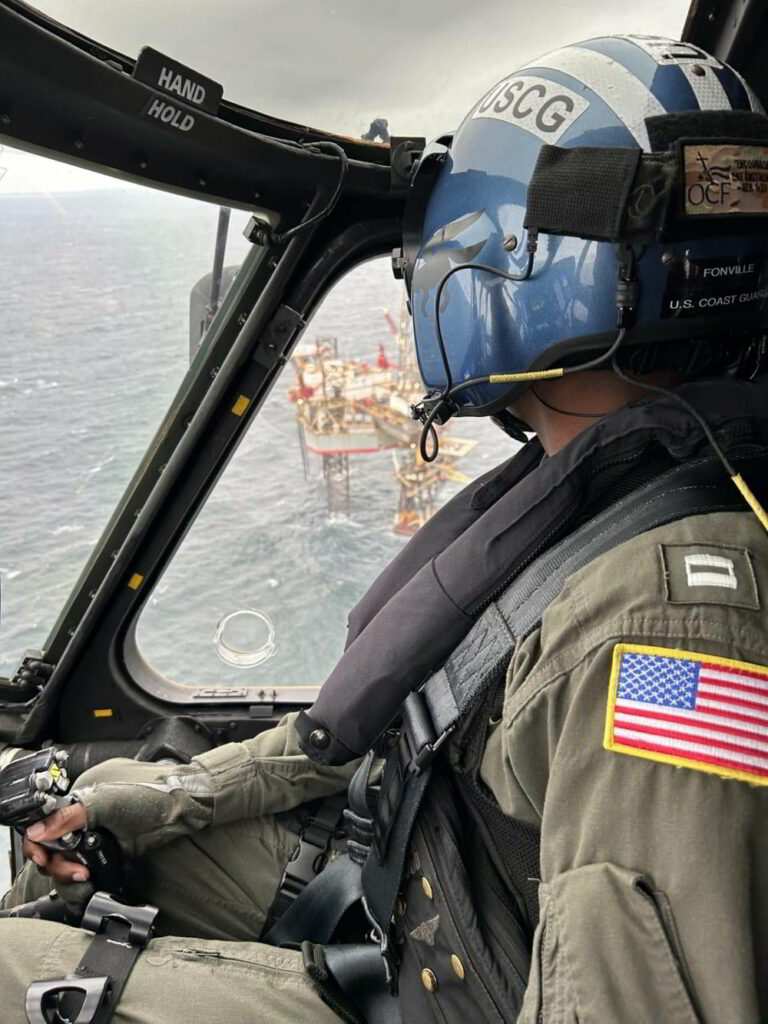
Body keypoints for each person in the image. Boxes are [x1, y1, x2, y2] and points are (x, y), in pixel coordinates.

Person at [4, 33, 768, 1024]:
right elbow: (366, 732)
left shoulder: (668, 622)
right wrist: (153, 795)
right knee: (109, 820)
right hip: (422, 893)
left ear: (507, 274)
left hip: (442, 978)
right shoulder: (594, 491)